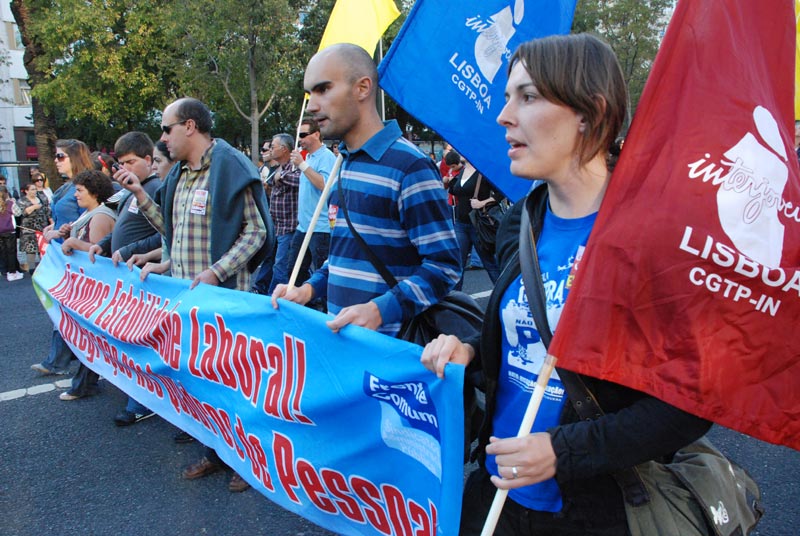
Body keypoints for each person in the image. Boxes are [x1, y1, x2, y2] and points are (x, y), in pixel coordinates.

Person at [420, 34, 712, 535]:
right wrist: (470, 350)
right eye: (508, 96)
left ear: (589, 113)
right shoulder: (521, 223)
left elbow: (692, 403)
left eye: (528, 97)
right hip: (499, 497)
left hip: (596, 509)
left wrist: (561, 451)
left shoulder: (654, 234)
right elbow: (526, 337)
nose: (504, 116)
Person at [115, 97, 272, 493]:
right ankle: (216, 452)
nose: (162, 138)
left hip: (222, 303)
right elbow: (173, 233)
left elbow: (257, 233)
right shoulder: (179, 175)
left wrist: (215, 273)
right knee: (201, 387)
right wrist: (140, 195)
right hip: (187, 306)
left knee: (234, 386)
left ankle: (249, 462)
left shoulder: (230, 164)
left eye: (166, 129)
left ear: (189, 126)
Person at [272, 43, 460, 337]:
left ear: (362, 88)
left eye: (323, 89)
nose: (311, 105)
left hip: (391, 356)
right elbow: (343, 257)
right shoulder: (343, 164)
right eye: (310, 93)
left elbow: (444, 266)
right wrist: (307, 290)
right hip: (345, 352)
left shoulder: (410, 166)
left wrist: (379, 310)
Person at [87, 132, 163, 426]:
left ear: (148, 160)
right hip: (127, 276)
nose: (124, 169)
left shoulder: (153, 189)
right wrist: (105, 243)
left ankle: (142, 401)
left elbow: (166, 233)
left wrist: (130, 250)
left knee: (141, 341)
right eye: (120, 163)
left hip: (145, 277)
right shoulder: (132, 190)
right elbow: (123, 226)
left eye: (130, 161)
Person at [32, 139, 92, 377]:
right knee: (64, 310)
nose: (56, 161)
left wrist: (61, 232)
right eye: (56, 157)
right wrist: (51, 230)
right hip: (62, 255)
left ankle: (67, 367)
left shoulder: (85, 183)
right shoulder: (66, 187)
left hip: (77, 256)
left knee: (72, 312)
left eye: (60, 157)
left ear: (74, 158)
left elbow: (93, 214)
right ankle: (59, 362)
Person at [59, 169, 117, 401]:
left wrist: (73, 241)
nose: (75, 195)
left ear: (94, 192)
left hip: (98, 289)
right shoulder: (90, 214)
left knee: (91, 337)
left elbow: (98, 252)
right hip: (89, 287)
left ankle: (83, 384)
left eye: (80, 191)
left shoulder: (101, 216)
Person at [286, 118, 336, 291]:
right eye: (299, 135)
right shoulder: (308, 158)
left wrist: (302, 164)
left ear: (316, 134)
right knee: (293, 274)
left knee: (321, 278)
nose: (300, 139)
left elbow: (324, 184)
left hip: (320, 228)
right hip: (303, 227)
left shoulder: (327, 157)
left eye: (303, 134)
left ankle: (321, 312)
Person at [252, 133, 300, 295]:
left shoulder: (294, 166)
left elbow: (300, 180)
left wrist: (282, 177)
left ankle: (275, 299)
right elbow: (271, 182)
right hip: (276, 225)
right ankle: (261, 288)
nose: (270, 150)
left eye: (272, 147)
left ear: (284, 149)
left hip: (288, 226)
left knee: (281, 266)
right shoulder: (276, 168)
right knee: (270, 259)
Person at [447, 158, 503, 288]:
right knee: (458, 263)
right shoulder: (462, 171)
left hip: (477, 224)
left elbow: (500, 193)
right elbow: (455, 191)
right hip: (461, 224)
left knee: (489, 263)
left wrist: (483, 203)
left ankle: (503, 295)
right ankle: (456, 301)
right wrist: (448, 182)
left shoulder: (482, 172)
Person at [15, 183, 51, 273]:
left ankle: (46, 269)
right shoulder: (22, 201)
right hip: (29, 229)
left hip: (42, 228)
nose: (34, 191)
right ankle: (32, 270)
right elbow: (24, 212)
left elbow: (47, 211)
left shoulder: (41, 198)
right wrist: (34, 207)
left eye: (35, 189)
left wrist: (51, 222)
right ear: (26, 191)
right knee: (30, 250)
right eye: (32, 189)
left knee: (43, 248)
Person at [0, 186, 24, 281]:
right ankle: (12, 272)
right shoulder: (10, 203)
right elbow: (18, 213)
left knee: (3, 252)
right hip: (9, 230)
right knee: (11, 252)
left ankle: (6, 271)